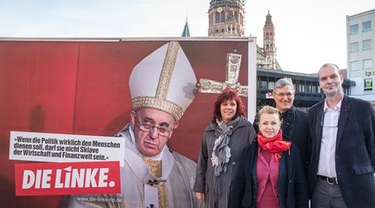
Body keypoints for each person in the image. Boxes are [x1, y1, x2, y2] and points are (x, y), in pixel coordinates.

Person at [60, 41, 200, 208]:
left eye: (163, 127)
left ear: (173, 129)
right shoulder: (97, 166)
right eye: (147, 124)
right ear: (134, 118)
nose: (154, 135)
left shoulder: (189, 173)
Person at [307, 63, 375, 208]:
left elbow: (372, 146)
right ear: (320, 83)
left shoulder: (362, 108)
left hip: (353, 186)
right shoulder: (313, 112)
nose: (329, 81)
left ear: (341, 78)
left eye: (333, 76)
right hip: (320, 188)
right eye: (324, 78)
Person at [231, 105, 309, 208]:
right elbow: (239, 186)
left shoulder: (291, 151)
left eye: (273, 123)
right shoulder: (249, 152)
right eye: (265, 123)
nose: (269, 127)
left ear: (280, 124)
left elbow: (300, 187)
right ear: (259, 125)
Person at [193, 88, 256, 208]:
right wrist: (199, 187)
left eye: (233, 104)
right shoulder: (210, 130)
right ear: (219, 107)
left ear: (238, 107)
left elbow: (253, 163)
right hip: (212, 188)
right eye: (225, 104)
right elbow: (203, 160)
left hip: (236, 189)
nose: (229, 107)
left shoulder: (247, 129)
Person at [253, 77, 310, 174]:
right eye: (281, 94)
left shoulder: (306, 119)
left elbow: (310, 152)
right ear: (274, 95)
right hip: (267, 176)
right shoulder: (261, 118)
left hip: (297, 176)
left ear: (294, 95)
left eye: (288, 94)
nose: (285, 98)